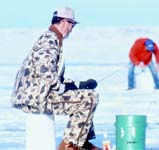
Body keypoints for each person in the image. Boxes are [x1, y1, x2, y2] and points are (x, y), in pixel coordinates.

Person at [11, 7, 102, 150]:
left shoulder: (51, 38)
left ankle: (81, 141)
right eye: (72, 24)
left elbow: (52, 75)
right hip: (37, 98)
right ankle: (70, 146)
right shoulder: (50, 40)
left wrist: (79, 84)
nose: (72, 28)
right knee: (89, 98)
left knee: (85, 95)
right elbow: (44, 70)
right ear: (65, 22)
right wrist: (62, 88)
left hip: (38, 94)